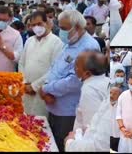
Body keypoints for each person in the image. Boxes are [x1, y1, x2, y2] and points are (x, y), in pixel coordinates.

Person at [38, 10, 99, 152]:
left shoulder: (89, 46)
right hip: (54, 103)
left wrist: (47, 89)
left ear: (77, 27)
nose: (61, 32)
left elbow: (75, 81)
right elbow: (55, 69)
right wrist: (46, 87)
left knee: (61, 145)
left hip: (68, 111)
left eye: (64, 29)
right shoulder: (70, 42)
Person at [18, 11, 63, 117]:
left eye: (39, 24)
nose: (36, 27)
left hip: (42, 92)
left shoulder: (56, 42)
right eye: (33, 25)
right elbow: (21, 63)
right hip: (25, 89)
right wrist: (25, 83)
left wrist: (34, 86)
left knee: (38, 123)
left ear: (46, 22)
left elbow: (54, 70)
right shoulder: (29, 41)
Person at [73, 51, 109, 131]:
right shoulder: (106, 81)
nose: (74, 68)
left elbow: (90, 126)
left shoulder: (89, 90)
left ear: (87, 73)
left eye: (77, 66)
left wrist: (71, 141)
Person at [110, 86, 122, 152]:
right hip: (108, 134)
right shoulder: (104, 104)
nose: (111, 95)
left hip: (119, 135)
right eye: (110, 93)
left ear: (119, 95)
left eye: (114, 94)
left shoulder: (122, 105)